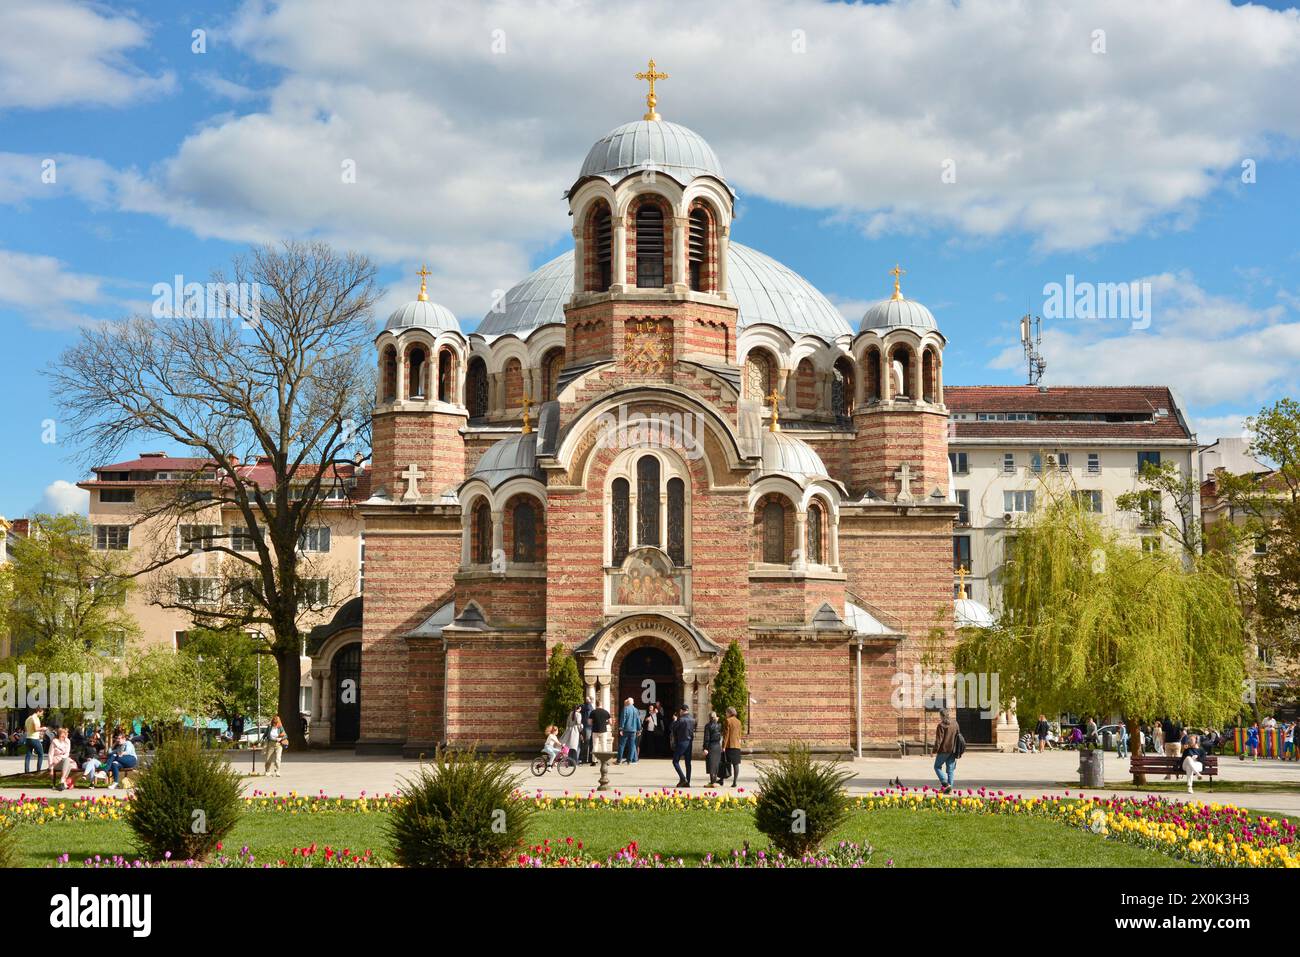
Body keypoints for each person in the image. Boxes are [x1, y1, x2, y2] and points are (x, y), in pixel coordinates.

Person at [933, 710, 959, 792]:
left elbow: (938, 740)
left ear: (941, 716)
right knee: (950, 769)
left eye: (940, 716)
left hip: (944, 750)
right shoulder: (955, 724)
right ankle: (949, 789)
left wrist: (934, 751)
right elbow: (958, 736)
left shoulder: (941, 725)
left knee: (937, 766)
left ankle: (945, 783)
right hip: (953, 750)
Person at [670, 704, 696, 788]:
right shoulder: (693, 719)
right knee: (688, 763)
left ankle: (683, 778)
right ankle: (688, 781)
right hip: (690, 742)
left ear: (681, 711)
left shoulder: (680, 719)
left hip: (682, 742)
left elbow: (672, 728)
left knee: (675, 761)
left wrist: (674, 720)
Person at [722, 706, 743, 787]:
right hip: (737, 745)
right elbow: (740, 733)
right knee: (736, 764)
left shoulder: (728, 721)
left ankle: (721, 779)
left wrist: (723, 746)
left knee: (725, 762)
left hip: (729, 745)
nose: (725, 714)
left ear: (729, 713)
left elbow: (726, 735)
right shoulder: (739, 721)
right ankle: (735, 782)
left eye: (726, 712)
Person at [23, 707, 47, 774]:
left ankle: (26, 772)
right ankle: (38, 771)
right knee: (41, 754)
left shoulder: (28, 718)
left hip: (28, 738)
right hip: (34, 739)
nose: (42, 715)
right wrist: (43, 728)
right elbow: (36, 729)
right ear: (39, 711)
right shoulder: (35, 718)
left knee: (28, 755)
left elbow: (26, 728)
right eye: (42, 713)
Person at [703, 711, 723, 785]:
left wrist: (705, 748)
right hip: (717, 746)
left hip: (711, 746)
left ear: (709, 718)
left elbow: (706, 738)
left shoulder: (708, 726)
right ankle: (714, 780)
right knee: (716, 763)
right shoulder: (719, 725)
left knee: (711, 764)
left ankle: (712, 781)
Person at [618, 698, 640, 764]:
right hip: (634, 730)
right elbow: (638, 720)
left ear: (628, 702)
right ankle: (629, 760)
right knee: (632, 745)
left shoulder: (626, 709)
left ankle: (619, 760)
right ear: (633, 703)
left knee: (622, 745)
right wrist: (639, 729)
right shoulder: (636, 710)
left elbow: (623, 719)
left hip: (626, 729)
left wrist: (621, 728)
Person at [580, 693, 594, 765]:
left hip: (589, 727)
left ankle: (588, 759)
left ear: (591, 701)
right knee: (586, 743)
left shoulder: (589, 706)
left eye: (588, 699)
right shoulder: (586, 707)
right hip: (587, 727)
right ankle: (585, 759)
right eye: (586, 699)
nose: (586, 700)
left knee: (588, 744)